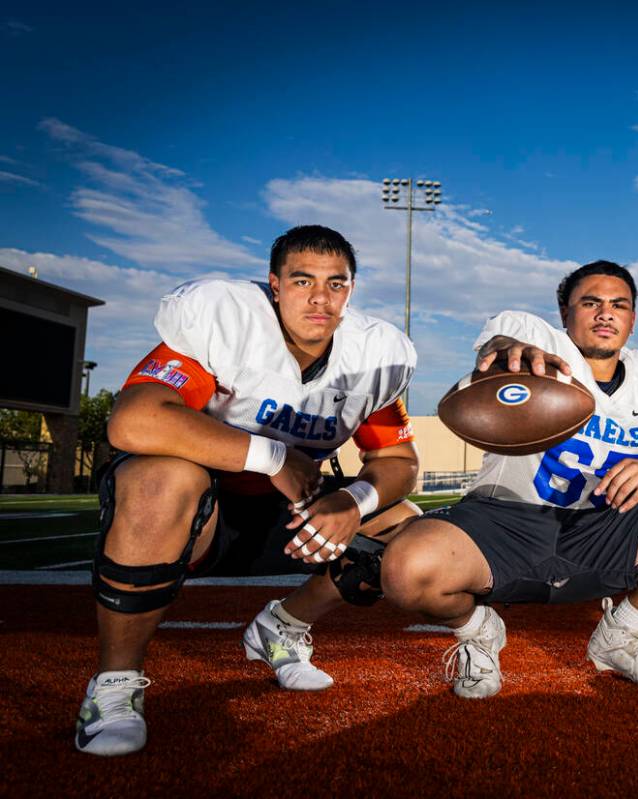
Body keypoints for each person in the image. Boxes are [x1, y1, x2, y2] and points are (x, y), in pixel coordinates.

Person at [75, 225, 421, 756]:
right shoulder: (226, 324)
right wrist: (273, 457)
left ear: (351, 291)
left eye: (336, 284)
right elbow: (134, 422)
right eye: (303, 280)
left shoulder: (370, 356)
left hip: (291, 517)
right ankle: (115, 684)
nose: (319, 298)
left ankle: (283, 627)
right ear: (274, 285)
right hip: (196, 514)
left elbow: (397, 461)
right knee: (159, 477)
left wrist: (352, 502)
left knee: (407, 530)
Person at [381, 260, 638, 698]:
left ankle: (624, 634)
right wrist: (508, 351)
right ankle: (478, 632)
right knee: (405, 568)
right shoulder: (542, 354)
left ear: (632, 319)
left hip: (598, 528)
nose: (605, 314)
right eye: (590, 303)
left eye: (618, 305)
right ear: (564, 314)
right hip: (503, 523)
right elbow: (502, 342)